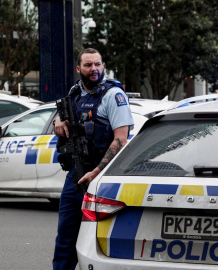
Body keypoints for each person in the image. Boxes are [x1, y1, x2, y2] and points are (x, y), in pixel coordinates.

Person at [52, 48, 134, 270]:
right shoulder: (75, 92)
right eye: (88, 65)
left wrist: (95, 173)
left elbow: (120, 140)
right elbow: (62, 116)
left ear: (103, 66)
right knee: (65, 239)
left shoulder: (113, 95)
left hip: (102, 177)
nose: (94, 69)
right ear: (79, 69)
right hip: (76, 176)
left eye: (97, 64)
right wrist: (58, 121)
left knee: (103, 240)